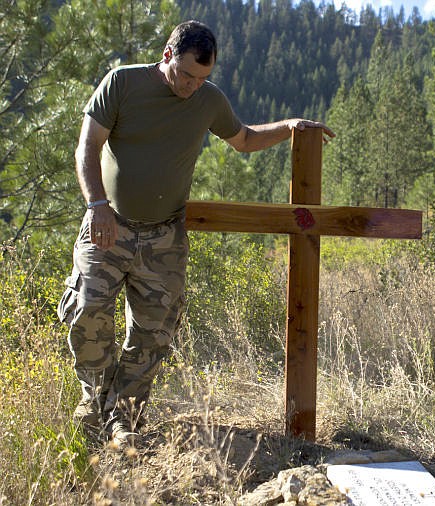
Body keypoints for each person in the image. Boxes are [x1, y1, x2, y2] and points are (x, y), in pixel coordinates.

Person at [57, 20, 334, 447]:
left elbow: (242, 139)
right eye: (186, 74)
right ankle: (93, 401)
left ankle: (122, 420)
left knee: (153, 335)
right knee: (88, 311)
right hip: (108, 224)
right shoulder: (122, 84)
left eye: (202, 78)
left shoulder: (208, 100)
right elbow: (87, 147)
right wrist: (96, 206)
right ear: (167, 55)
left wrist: (290, 126)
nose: (191, 85)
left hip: (164, 238)